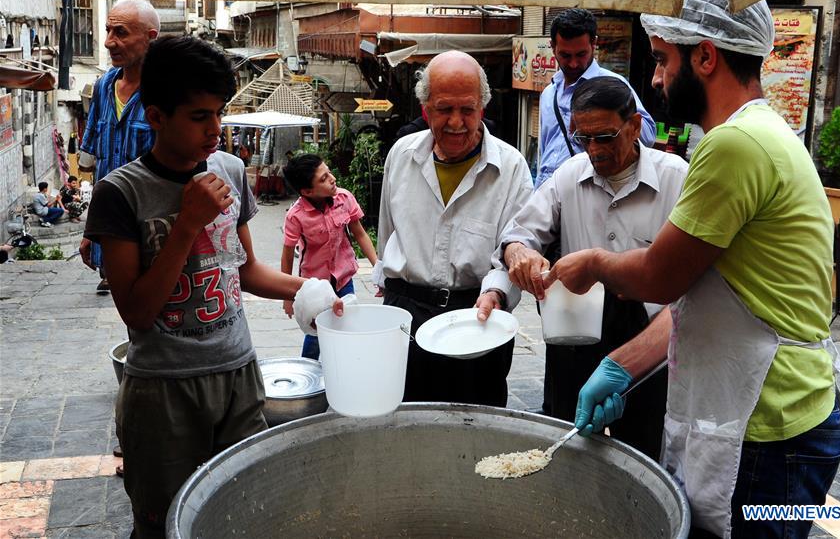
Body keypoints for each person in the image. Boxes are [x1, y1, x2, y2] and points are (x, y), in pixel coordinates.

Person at [550, 0, 840, 538]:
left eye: (662, 60)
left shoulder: (732, 145)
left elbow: (660, 278)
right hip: (783, 418)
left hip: (771, 430)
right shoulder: (763, 133)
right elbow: (704, 296)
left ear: (705, 57)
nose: (655, 79)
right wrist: (621, 367)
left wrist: (592, 264)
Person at [83, 36, 342, 539]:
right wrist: (187, 224)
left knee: (241, 510)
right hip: (163, 390)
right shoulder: (119, 193)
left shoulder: (229, 170)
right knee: (164, 522)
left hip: (240, 377)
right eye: (199, 116)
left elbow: (243, 270)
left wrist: (313, 289)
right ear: (156, 117)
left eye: (219, 113)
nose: (215, 130)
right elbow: (137, 312)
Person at [479, 76, 687, 459]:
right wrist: (519, 253)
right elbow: (518, 234)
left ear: (635, 126)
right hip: (574, 334)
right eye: (583, 139)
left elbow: (691, 282)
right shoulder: (569, 176)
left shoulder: (677, 178)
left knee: (642, 452)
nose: (594, 150)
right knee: (565, 444)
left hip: (648, 341)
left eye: (605, 137)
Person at [373, 50, 533, 406]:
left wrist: (497, 293)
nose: (456, 121)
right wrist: (386, 289)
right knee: (405, 420)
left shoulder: (511, 168)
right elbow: (388, 234)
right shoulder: (401, 155)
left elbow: (516, 247)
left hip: (477, 315)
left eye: (468, 110)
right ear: (426, 109)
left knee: (478, 428)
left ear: (483, 110)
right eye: (444, 109)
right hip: (407, 313)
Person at [79, 0, 159, 293]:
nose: (109, 42)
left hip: (153, 231)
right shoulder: (103, 86)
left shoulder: (164, 92)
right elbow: (98, 166)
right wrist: (92, 230)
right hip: (112, 228)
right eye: (108, 30)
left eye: (121, 33)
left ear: (150, 38)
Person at [535, 8, 656, 188]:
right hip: (546, 191)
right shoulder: (549, 93)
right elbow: (543, 150)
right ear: (553, 47)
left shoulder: (611, 84)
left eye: (581, 54)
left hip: (586, 191)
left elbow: (648, 136)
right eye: (565, 55)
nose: (574, 63)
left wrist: (599, 126)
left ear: (594, 44)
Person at [281, 153, 378, 359]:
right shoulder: (296, 216)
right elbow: (288, 255)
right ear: (307, 191)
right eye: (323, 179)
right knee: (317, 331)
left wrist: (378, 268)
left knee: (346, 324)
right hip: (314, 283)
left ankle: (342, 367)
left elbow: (360, 233)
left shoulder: (344, 199)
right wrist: (287, 296)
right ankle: (309, 369)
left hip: (343, 278)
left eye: (329, 173)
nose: (332, 179)